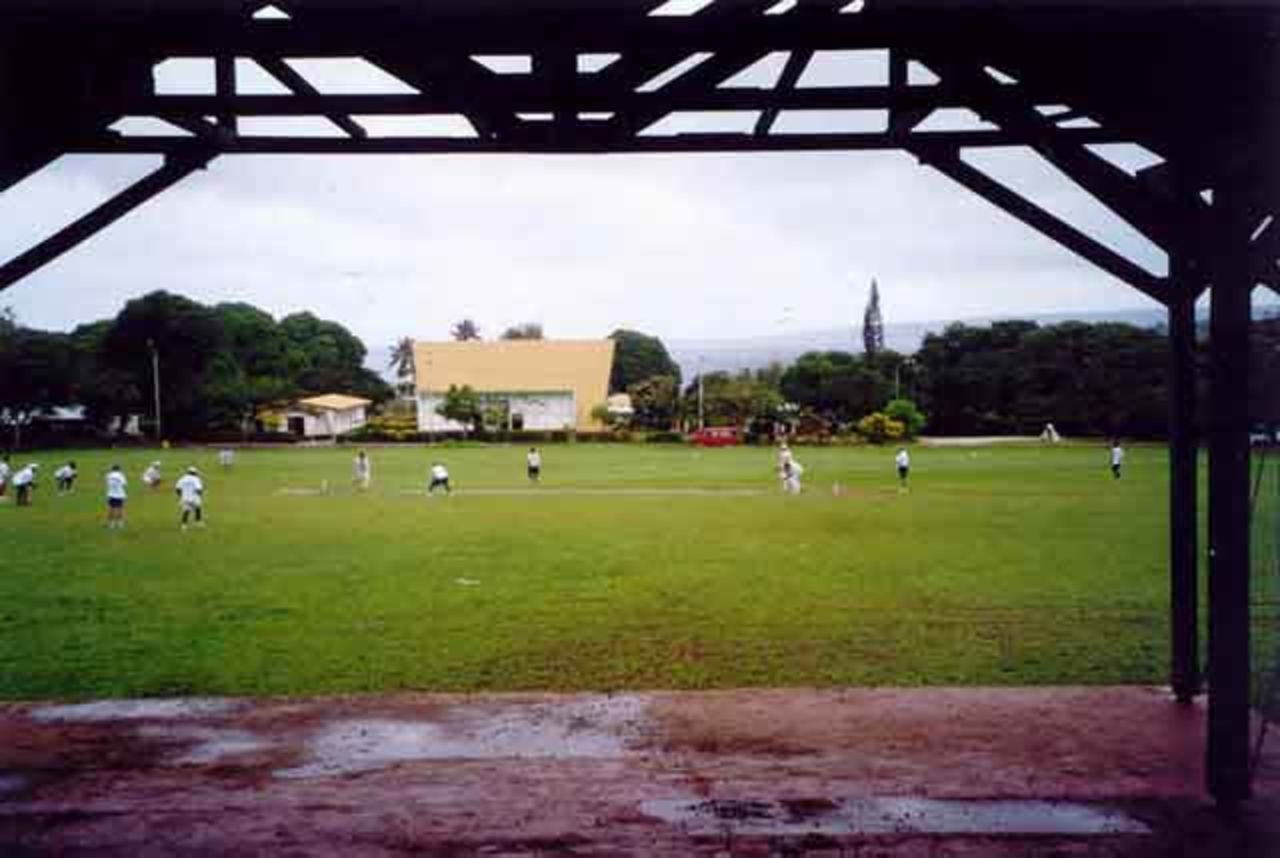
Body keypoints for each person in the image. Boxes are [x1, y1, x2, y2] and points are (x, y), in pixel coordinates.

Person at [105, 464, 127, 529]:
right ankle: (120, 524)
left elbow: (107, 483)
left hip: (111, 494)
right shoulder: (121, 475)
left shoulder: (108, 475)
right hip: (120, 495)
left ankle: (111, 524)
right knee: (120, 509)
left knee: (111, 509)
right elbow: (124, 484)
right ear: (119, 469)